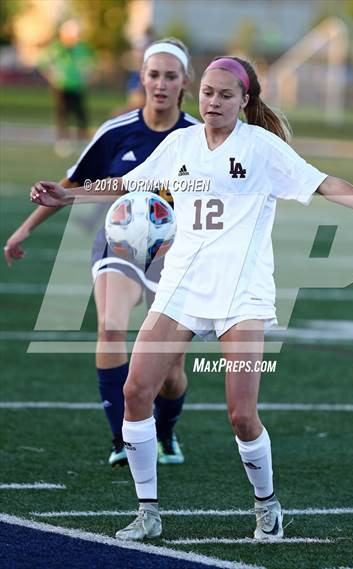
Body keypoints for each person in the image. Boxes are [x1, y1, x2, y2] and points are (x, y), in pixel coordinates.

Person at [29, 56, 353, 542]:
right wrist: (65, 197)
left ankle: (267, 506)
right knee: (135, 391)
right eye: (208, 93)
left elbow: (327, 185)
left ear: (245, 101)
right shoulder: (181, 143)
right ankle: (148, 513)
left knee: (241, 414)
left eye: (225, 95)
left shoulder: (261, 148)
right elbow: (128, 184)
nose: (213, 101)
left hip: (242, 293)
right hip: (183, 285)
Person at [6, 38, 199, 468]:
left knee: (169, 373)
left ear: (185, 81)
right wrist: (24, 229)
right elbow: (72, 185)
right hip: (118, 244)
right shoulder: (116, 132)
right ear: (142, 78)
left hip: (177, 254)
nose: (161, 84)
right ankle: (122, 440)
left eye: (171, 76)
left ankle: (165, 433)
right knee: (111, 328)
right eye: (153, 75)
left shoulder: (198, 138)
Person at [38, 19, 95, 155]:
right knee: (62, 114)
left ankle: (83, 141)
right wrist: (51, 77)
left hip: (77, 86)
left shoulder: (81, 48)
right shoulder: (56, 48)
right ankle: (63, 141)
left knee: (81, 114)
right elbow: (43, 63)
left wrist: (87, 76)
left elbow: (89, 65)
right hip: (61, 87)